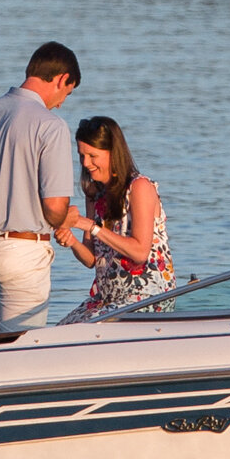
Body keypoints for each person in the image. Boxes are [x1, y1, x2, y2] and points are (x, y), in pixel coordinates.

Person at [0, 42, 82, 331]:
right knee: (24, 345)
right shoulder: (51, 125)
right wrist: (70, 219)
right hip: (20, 251)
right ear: (62, 79)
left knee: (8, 340)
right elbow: (54, 209)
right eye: (67, 92)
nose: (62, 102)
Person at [56, 115, 174, 323]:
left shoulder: (139, 188)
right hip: (108, 299)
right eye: (81, 156)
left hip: (147, 297)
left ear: (113, 153)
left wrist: (90, 226)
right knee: (58, 332)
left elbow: (139, 252)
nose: (86, 163)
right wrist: (72, 240)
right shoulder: (95, 193)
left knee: (86, 331)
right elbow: (91, 260)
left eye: (93, 156)